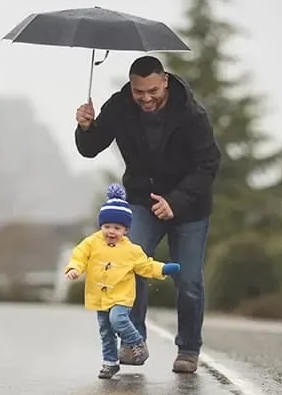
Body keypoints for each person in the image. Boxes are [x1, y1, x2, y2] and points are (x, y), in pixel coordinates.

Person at [73, 55, 221, 373]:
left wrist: (176, 201)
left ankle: (189, 348)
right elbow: (91, 147)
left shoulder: (191, 114)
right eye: (139, 91)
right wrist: (85, 127)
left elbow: (208, 164)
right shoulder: (121, 105)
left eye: (152, 90)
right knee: (131, 263)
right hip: (142, 199)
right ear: (132, 86)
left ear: (164, 80)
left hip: (189, 205)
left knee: (189, 279)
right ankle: (134, 341)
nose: (146, 98)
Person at [64, 183, 181, 379]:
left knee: (117, 319)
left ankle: (136, 342)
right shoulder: (92, 242)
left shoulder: (131, 250)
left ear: (126, 229)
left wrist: (164, 268)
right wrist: (75, 268)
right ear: (101, 225)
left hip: (121, 296)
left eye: (117, 228)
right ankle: (110, 363)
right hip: (100, 297)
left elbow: (145, 265)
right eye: (107, 226)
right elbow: (80, 255)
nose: (111, 231)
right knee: (106, 332)